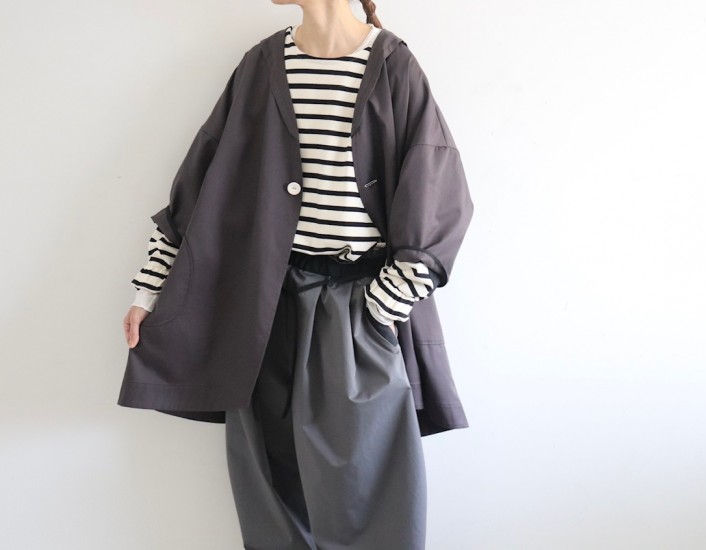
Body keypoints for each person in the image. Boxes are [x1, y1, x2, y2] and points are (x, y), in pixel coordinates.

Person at [120, 1, 474, 548]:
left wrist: (385, 305)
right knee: (271, 496)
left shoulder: (391, 64)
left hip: (357, 310)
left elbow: (438, 190)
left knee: (369, 497)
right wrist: (149, 288)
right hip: (263, 311)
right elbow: (201, 183)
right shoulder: (263, 64)